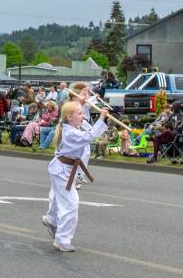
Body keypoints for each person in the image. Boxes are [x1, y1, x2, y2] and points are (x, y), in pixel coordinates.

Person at [42, 100, 109, 252]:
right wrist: (101, 119)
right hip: (62, 170)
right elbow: (90, 136)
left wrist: (103, 118)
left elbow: (90, 130)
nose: (82, 115)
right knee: (70, 204)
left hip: (61, 169)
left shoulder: (73, 126)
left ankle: (52, 219)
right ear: (69, 117)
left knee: (58, 197)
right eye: (79, 113)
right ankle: (62, 240)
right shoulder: (70, 132)